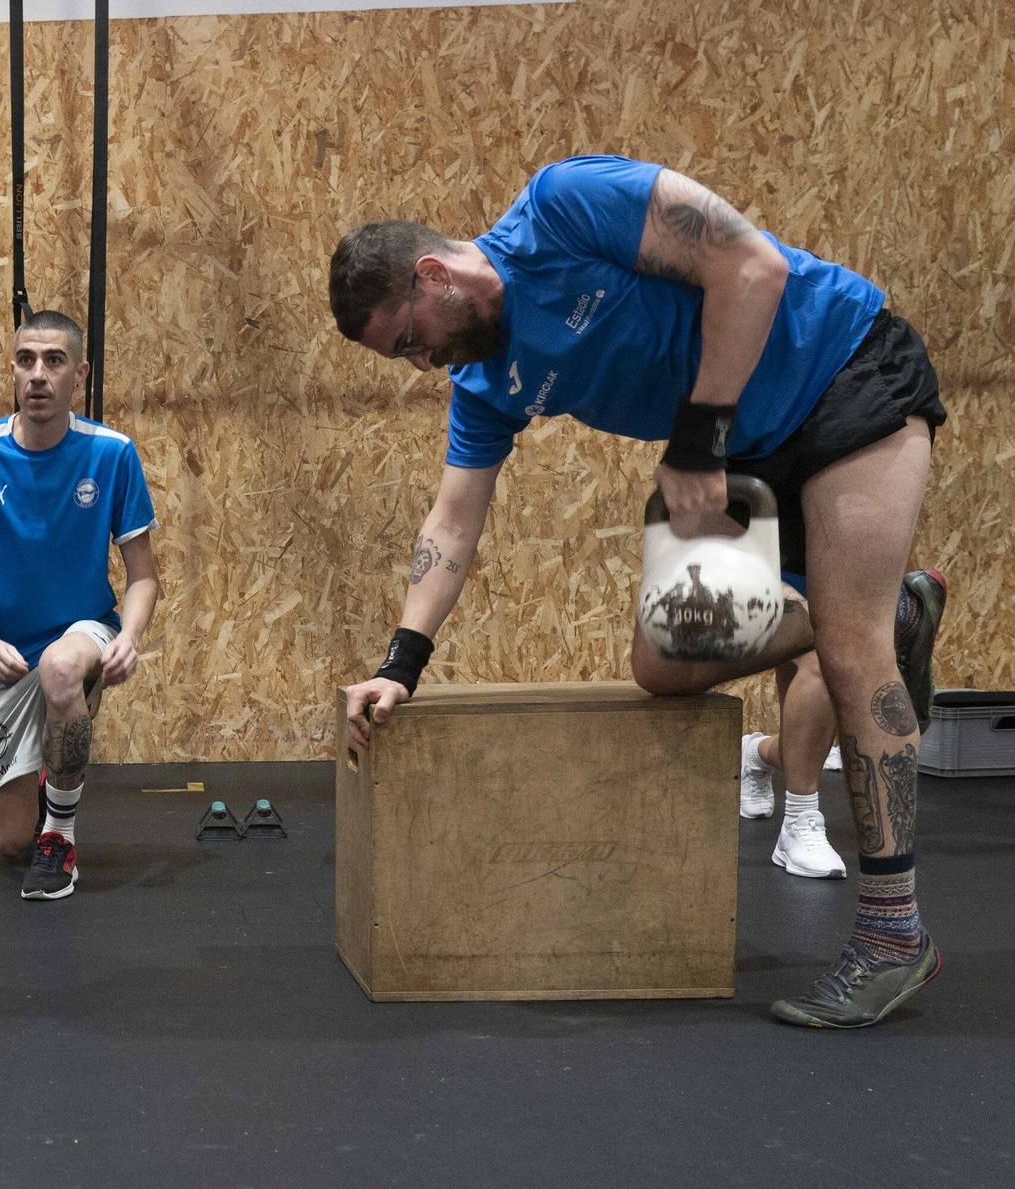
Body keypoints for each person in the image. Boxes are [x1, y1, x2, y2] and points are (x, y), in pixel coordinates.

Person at [328, 155, 947, 1028]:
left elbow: (752, 264)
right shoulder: (483, 384)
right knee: (666, 662)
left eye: (409, 339)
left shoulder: (562, 208)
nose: (421, 362)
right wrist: (402, 663)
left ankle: (894, 936)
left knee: (852, 652)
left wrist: (697, 437)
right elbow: (452, 523)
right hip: (742, 445)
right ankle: (897, 606)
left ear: (433, 273)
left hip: (840, 364)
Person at [0, 310, 160, 901]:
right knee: (9, 842)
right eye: (26, 360)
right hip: (5, 657)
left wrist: (129, 636)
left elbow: (142, 575)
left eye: (54, 361)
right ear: (11, 369)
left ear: (77, 374)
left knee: (60, 671)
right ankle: (45, 799)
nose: (38, 374)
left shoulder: (112, 454)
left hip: (85, 636)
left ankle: (60, 835)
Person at [741, 570, 946, 880]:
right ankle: (798, 821)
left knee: (802, 752)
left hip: (820, 583)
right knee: (822, 654)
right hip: (754, 580)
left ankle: (756, 754)